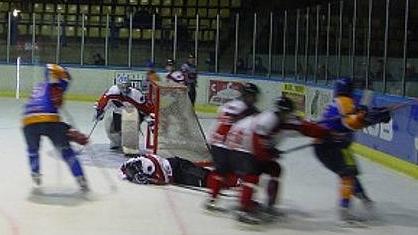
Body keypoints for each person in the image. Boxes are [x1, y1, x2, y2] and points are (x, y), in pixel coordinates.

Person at [224, 97, 331, 225]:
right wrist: (269, 154)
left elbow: (304, 127)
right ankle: (244, 210)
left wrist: (325, 133)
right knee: (251, 176)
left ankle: (269, 206)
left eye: (285, 113)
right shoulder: (267, 120)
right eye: (281, 113)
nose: (283, 116)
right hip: (239, 150)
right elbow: (257, 145)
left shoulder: (281, 119)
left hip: (244, 149)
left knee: (275, 169)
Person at [314, 77, 392, 225]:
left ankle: (364, 200)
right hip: (330, 146)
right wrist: (373, 117)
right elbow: (353, 123)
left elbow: (355, 117)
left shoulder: (339, 102)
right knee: (347, 174)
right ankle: (346, 211)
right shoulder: (344, 101)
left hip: (333, 146)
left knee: (351, 172)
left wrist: (372, 116)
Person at [21, 64, 89, 191]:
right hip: (49, 120)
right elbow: (66, 76)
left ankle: (35, 173)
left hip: (27, 121)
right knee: (66, 151)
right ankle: (80, 178)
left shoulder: (38, 87)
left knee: (33, 150)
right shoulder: (57, 86)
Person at [204, 82, 261, 212]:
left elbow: (220, 119)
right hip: (226, 145)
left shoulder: (228, 105)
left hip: (216, 142)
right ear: (247, 95)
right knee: (248, 173)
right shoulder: (247, 110)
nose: (255, 99)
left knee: (221, 172)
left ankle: (212, 200)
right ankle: (245, 204)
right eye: (253, 96)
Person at [94, 74, 154, 151]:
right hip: (118, 114)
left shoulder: (136, 94)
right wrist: (100, 111)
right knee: (109, 123)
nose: (125, 89)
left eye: (126, 86)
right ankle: (117, 142)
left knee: (129, 126)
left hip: (133, 116)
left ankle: (131, 146)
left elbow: (147, 108)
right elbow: (103, 102)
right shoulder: (112, 92)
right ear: (118, 86)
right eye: (122, 87)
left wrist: (149, 118)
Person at [120, 154, 210, 187]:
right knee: (206, 182)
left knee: (207, 178)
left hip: (179, 168)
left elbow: (163, 180)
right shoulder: (134, 164)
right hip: (177, 175)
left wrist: (149, 179)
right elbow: (123, 169)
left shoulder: (148, 163)